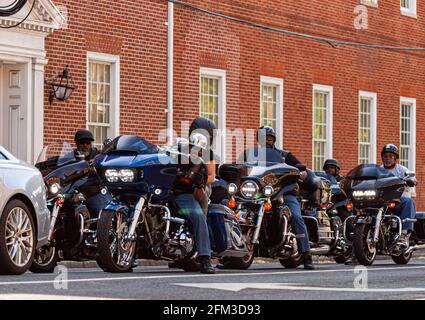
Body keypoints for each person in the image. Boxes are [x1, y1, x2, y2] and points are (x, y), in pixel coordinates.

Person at [240, 126, 315, 270]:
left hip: (284, 192)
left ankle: (306, 254)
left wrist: (301, 171)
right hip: (259, 192)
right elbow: (240, 168)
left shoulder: (284, 155)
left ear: (273, 140)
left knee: (297, 217)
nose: (267, 141)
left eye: (269, 138)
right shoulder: (250, 155)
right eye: (264, 139)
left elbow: (301, 169)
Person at [170, 117, 218, 274]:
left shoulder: (204, 159)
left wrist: (200, 182)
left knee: (198, 216)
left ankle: (205, 257)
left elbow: (209, 177)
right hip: (164, 190)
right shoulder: (177, 149)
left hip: (186, 192)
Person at [380, 144, 417, 248]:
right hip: (381, 199)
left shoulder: (402, 170)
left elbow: (413, 179)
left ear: (395, 158)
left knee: (409, 202)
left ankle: (404, 234)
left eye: (390, 156)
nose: (387, 159)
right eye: (385, 156)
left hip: (398, 199)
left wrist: (412, 181)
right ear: (382, 157)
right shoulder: (378, 170)